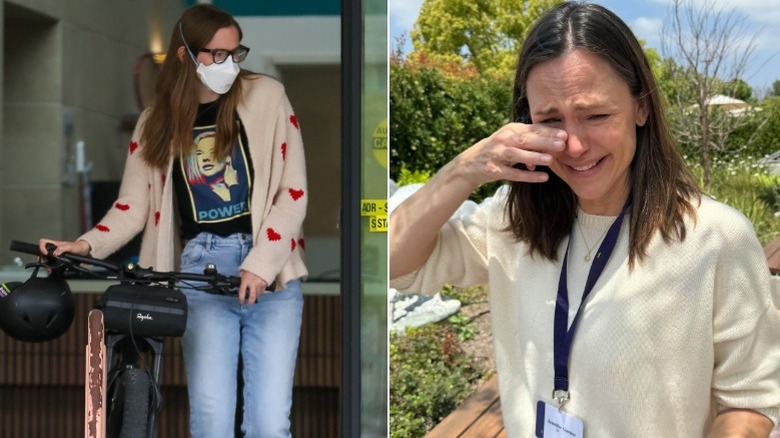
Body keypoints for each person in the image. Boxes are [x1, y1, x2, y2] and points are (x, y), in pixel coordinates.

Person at [389, 2, 780, 436]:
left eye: (596, 116)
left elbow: (750, 401)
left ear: (641, 107)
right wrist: (465, 169)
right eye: (550, 120)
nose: (574, 146)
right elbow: (391, 261)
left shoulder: (714, 237)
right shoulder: (512, 221)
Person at [39, 4, 307, 437]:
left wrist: (261, 263)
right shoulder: (155, 124)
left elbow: (293, 193)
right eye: (216, 54)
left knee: (270, 423)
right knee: (211, 417)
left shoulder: (267, 96)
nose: (229, 64)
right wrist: (84, 245)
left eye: (235, 53)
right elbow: (131, 206)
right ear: (185, 55)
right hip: (201, 271)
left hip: (272, 275)